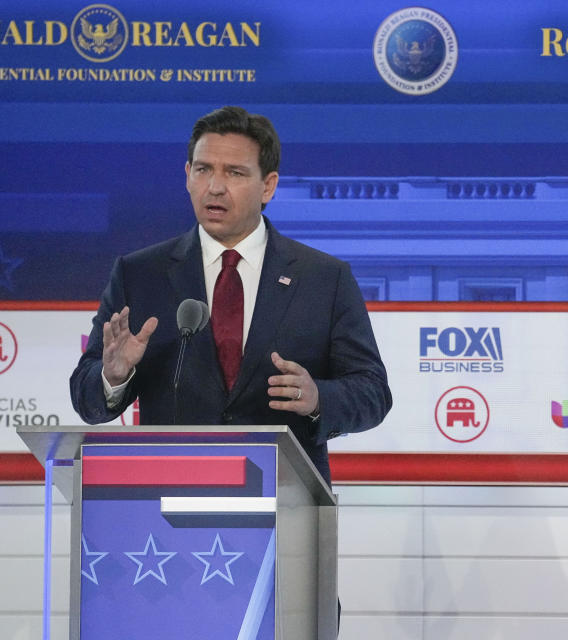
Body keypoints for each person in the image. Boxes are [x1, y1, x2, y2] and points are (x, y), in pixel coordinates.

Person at [70, 105, 391, 486]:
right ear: (187, 176)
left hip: (284, 498)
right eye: (203, 170)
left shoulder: (324, 278)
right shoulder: (140, 274)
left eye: (235, 173)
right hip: (168, 501)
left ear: (268, 185)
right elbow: (86, 397)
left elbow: (372, 392)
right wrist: (113, 375)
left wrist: (318, 396)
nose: (215, 187)